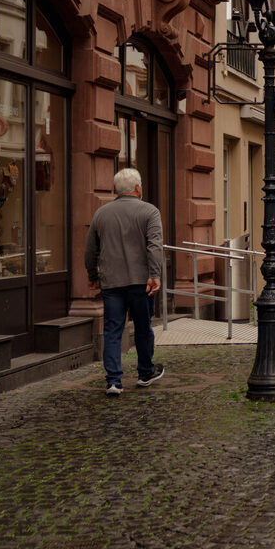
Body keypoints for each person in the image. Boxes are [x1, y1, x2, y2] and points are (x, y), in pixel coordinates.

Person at [84, 168, 165, 396]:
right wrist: (155, 274)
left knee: (112, 330)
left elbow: (91, 249)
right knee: (142, 327)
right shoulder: (150, 211)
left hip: (112, 282)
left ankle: (113, 381)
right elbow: (154, 246)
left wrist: (92, 275)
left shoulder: (101, 213)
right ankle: (145, 372)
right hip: (142, 282)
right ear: (137, 188)